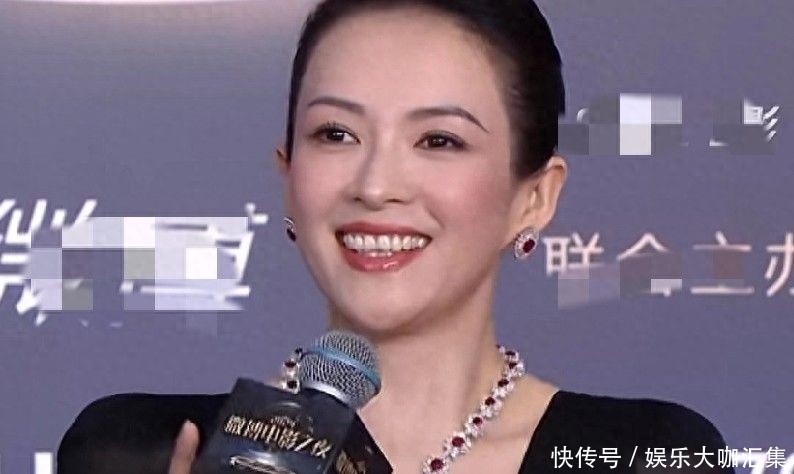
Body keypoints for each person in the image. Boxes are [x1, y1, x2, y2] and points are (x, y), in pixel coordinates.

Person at [57, 1, 735, 473]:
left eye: (439, 139)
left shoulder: (646, 456)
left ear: (534, 198)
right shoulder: (138, 452)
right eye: (336, 134)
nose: (376, 185)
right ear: (289, 175)